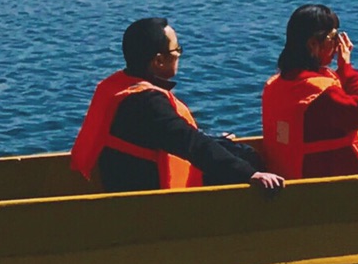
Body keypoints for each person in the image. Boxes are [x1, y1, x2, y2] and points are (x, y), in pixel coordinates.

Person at [72, 16, 285, 192]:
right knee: (248, 160)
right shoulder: (147, 102)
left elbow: (175, 135)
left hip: (121, 180)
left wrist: (215, 141)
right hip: (146, 202)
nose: (179, 55)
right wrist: (251, 174)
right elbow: (191, 144)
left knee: (235, 150)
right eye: (177, 50)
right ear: (158, 61)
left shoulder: (119, 86)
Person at [261, 4, 358, 178]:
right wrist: (346, 69)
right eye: (333, 37)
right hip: (336, 180)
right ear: (313, 44)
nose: (338, 43)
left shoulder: (276, 85)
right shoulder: (320, 94)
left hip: (292, 174)